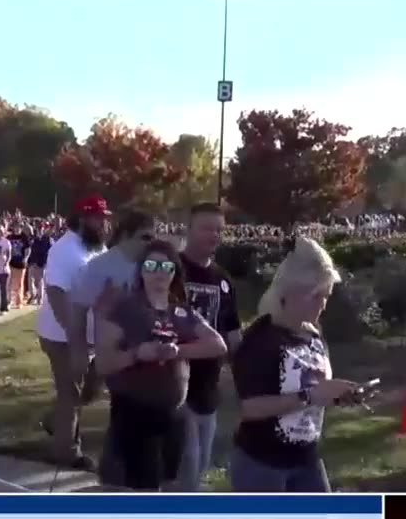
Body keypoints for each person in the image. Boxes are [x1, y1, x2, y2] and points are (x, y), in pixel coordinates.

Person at [229, 237, 359, 492]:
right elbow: (250, 408)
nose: (322, 304)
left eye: (327, 296)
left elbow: (317, 388)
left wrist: (338, 395)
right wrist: (310, 396)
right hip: (262, 464)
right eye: (315, 295)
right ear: (287, 293)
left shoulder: (314, 334)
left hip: (306, 459)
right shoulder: (261, 339)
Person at [95, 241, 227, 490]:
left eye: (166, 266)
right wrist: (137, 354)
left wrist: (178, 351)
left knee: (169, 485)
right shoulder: (126, 308)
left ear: (174, 272)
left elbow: (218, 344)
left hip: (173, 415)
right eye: (151, 265)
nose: (159, 272)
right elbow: (103, 363)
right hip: (134, 414)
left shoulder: (182, 312)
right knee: (140, 491)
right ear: (141, 271)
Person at [68, 209, 158, 480]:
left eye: (153, 237)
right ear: (126, 235)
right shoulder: (100, 266)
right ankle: (115, 476)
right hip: (113, 351)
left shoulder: (150, 264)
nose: (150, 242)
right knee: (123, 412)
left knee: (137, 413)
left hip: (147, 351)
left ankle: (130, 471)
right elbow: (78, 309)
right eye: (145, 237)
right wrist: (79, 348)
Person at [36, 196, 112, 470]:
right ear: (82, 218)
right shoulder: (64, 250)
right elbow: (56, 294)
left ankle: (54, 421)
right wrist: (76, 340)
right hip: (60, 336)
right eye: (99, 218)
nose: (105, 223)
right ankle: (67, 453)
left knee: (90, 390)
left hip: (90, 336)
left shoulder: (95, 247)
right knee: (70, 392)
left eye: (105, 217)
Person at [176, 203, 243, 491]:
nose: (213, 235)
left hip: (209, 389)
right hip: (176, 386)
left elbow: (233, 335)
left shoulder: (224, 280)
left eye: (218, 229)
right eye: (206, 227)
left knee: (200, 465)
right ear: (188, 229)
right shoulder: (171, 270)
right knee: (186, 469)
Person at [8, 223, 32, 309]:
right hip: (10, 263)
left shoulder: (24, 237)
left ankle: (19, 302)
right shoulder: (9, 237)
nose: (17, 228)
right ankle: (9, 301)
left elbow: (28, 249)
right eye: (16, 227)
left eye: (19, 227)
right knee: (10, 283)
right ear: (13, 228)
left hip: (21, 263)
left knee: (19, 283)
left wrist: (25, 258)